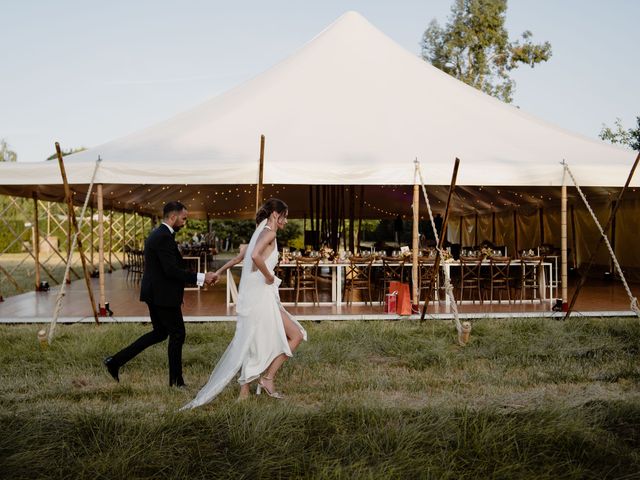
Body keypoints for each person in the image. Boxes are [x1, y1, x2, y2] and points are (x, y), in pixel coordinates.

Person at [181, 198, 306, 409]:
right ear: (276, 214)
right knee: (296, 335)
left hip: (256, 298)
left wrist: (217, 273)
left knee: (252, 340)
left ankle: (246, 390)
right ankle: (266, 378)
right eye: (285, 216)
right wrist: (268, 276)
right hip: (262, 297)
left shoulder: (258, 232)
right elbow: (256, 256)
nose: (286, 220)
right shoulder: (270, 233)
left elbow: (239, 258)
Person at [104, 201, 218, 387]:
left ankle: (115, 362)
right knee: (177, 333)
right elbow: (171, 271)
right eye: (183, 218)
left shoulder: (160, 234)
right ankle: (176, 382)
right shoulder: (163, 237)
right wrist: (202, 277)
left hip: (155, 293)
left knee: (160, 333)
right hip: (162, 295)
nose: (184, 222)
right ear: (173, 217)